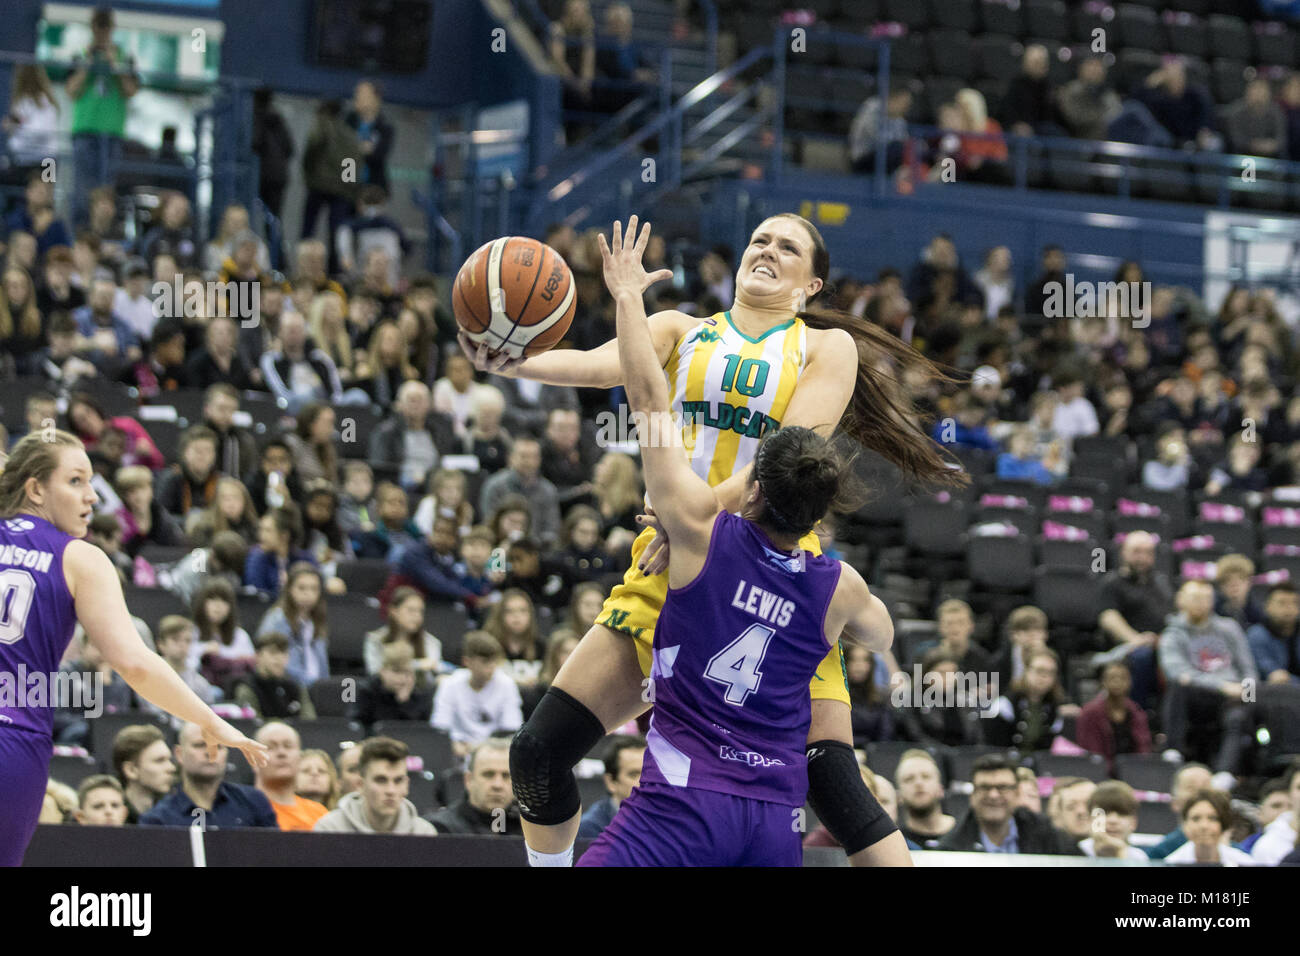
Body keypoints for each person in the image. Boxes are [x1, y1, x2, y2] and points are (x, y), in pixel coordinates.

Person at [470, 214, 959, 868]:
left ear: (811, 283)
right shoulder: (680, 328)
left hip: (771, 574)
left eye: (788, 246)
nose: (768, 249)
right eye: (760, 238)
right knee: (537, 753)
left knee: (833, 783)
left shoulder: (823, 348)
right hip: (678, 567)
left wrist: (692, 520)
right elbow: (596, 367)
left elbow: (783, 458)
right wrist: (507, 358)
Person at [576, 218, 898, 868]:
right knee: (839, 783)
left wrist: (629, 297)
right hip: (770, 825)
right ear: (818, 515)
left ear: (748, 493)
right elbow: (883, 636)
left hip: (680, 812)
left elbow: (644, 396)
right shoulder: (834, 586)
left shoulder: (697, 537)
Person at [0, 431, 266, 862]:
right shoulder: (80, 558)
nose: (92, 496)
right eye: (75, 481)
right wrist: (207, 718)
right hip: (13, 740)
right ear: (35, 488)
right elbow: (134, 663)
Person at [1159, 579, 1258, 781]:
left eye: (1206, 598)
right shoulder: (1172, 634)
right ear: (1181, 601)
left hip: (1234, 696)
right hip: (1198, 697)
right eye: (1195, 598)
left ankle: (1225, 774)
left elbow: (1247, 667)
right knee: (1179, 686)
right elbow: (1177, 672)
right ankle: (1173, 752)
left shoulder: (1229, 627)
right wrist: (1222, 687)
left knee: (1239, 716)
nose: (1201, 603)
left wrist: (1248, 691)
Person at [65, 6, 139, 223]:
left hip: (112, 132)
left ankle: (104, 235)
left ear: (112, 29)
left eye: (106, 27)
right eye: (99, 26)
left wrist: (114, 64)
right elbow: (71, 90)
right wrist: (89, 62)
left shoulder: (124, 57)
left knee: (107, 191)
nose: (102, 32)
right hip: (85, 131)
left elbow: (130, 91)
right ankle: (79, 233)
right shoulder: (80, 55)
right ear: (92, 28)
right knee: (81, 191)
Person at [936, 754, 1082, 855]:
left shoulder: (1046, 834)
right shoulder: (951, 846)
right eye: (985, 787)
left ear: (1017, 793)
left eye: (1002, 787)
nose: (993, 795)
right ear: (972, 795)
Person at [139, 721, 275, 828]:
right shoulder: (157, 819)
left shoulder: (254, 801)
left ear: (227, 753)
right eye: (199, 745)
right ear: (179, 754)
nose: (210, 752)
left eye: (219, 747)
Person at [313, 737, 436, 835]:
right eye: (381, 780)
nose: (391, 790)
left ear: (406, 785)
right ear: (361, 785)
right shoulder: (329, 830)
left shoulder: (424, 834)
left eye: (398, 781)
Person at [431, 631, 524, 758]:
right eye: (485, 662)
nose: (491, 667)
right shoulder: (449, 684)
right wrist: (453, 745)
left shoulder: (507, 684)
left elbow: (511, 729)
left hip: (495, 752)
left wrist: (482, 747)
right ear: (467, 661)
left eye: (494, 661)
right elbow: (440, 727)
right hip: (457, 752)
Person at [425, 738, 521, 835]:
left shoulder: (528, 832)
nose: (497, 785)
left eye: (506, 776)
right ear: (469, 780)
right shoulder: (439, 829)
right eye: (488, 775)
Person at [1075, 660, 1152, 772]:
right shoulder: (1089, 713)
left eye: (1123, 677)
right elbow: (1090, 752)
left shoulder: (1136, 712)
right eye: (1112, 677)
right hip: (1100, 772)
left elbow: (1143, 748)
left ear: (1130, 681)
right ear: (1103, 682)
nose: (1117, 682)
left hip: (1133, 772)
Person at [253, 722, 329, 832]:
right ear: (253, 761)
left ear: (299, 758)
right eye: (270, 747)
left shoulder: (319, 814)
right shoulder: (244, 810)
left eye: (288, 746)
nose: (281, 752)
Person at [350, 642, 434, 732]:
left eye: (407, 672)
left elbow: (422, 731)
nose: (401, 678)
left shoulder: (421, 694)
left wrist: (404, 702)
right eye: (396, 671)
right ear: (382, 671)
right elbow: (355, 724)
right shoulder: (366, 691)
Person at [232, 631, 316, 720]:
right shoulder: (247, 688)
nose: (279, 659)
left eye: (284, 653)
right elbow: (252, 725)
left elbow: (309, 722)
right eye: (273, 653)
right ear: (258, 656)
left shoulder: (296, 687)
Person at [577, 734, 645, 840]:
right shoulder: (588, 830)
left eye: (649, 772)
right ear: (611, 782)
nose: (645, 781)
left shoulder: (668, 820)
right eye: (634, 774)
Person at [1165, 789, 1255, 865]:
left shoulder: (1244, 863)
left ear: (1224, 823)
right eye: (1196, 819)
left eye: (1212, 818)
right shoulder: (1171, 863)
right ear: (1185, 824)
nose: (1204, 826)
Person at [1145, 763, 1212, 860]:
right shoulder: (1159, 854)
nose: (1200, 793)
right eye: (1191, 787)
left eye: (1205, 787)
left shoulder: (1235, 852)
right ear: (1175, 802)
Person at [112, 723, 176, 824]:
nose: (171, 768)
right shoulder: (110, 817)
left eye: (169, 760)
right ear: (131, 770)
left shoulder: (174, 814)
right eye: (159, 761)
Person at [893, 750, 955, 849]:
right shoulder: (895, 843)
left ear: (941, 789)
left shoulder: (966, 834)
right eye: (909, 779)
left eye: (926, 777)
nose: (918, 783)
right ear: (898, 796)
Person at [1080, 781, 1147, 860]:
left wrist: (1120, 854)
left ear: (1133, 823)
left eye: (1122, 813)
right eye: (1104, 812)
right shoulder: (1077, 851)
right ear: (1089, 819)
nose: (1113, 820)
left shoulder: (1139, 858)